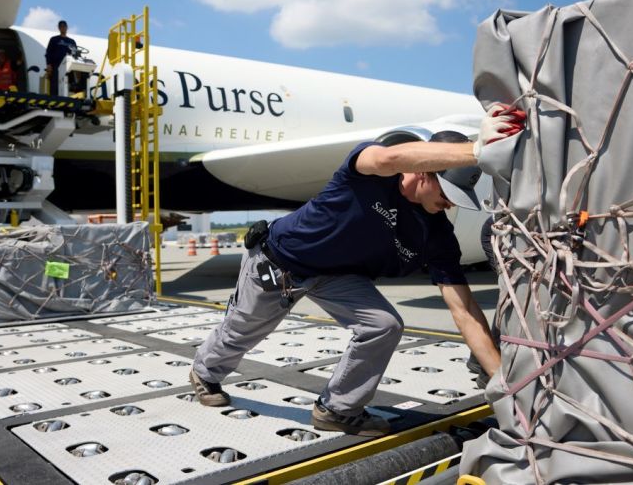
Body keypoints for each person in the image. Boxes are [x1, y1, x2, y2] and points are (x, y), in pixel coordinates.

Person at [189, 115, 524, 437]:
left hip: (338, 275)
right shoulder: (370, 174)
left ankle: (337, 410)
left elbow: (464, 311)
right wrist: (477, 148)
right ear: (424, 173)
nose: (450, 206)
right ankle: (205, 373)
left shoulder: (436, 236)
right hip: (282, 261)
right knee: (243, 330)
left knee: (383, 324)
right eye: (447, 195)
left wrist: (501, 383)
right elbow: (389, 157)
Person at [45, 20, 77, 96]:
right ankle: (54, 99)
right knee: (55, 84)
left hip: (69, 67)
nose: (63, 28)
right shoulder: (54, 39)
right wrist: (49, 64)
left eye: (64, 26)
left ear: (67, 27)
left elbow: (75, 53)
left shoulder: (71, 41)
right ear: (59, 28)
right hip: (57, 66)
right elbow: (48, 52)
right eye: (61, 26)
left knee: (69, 84)